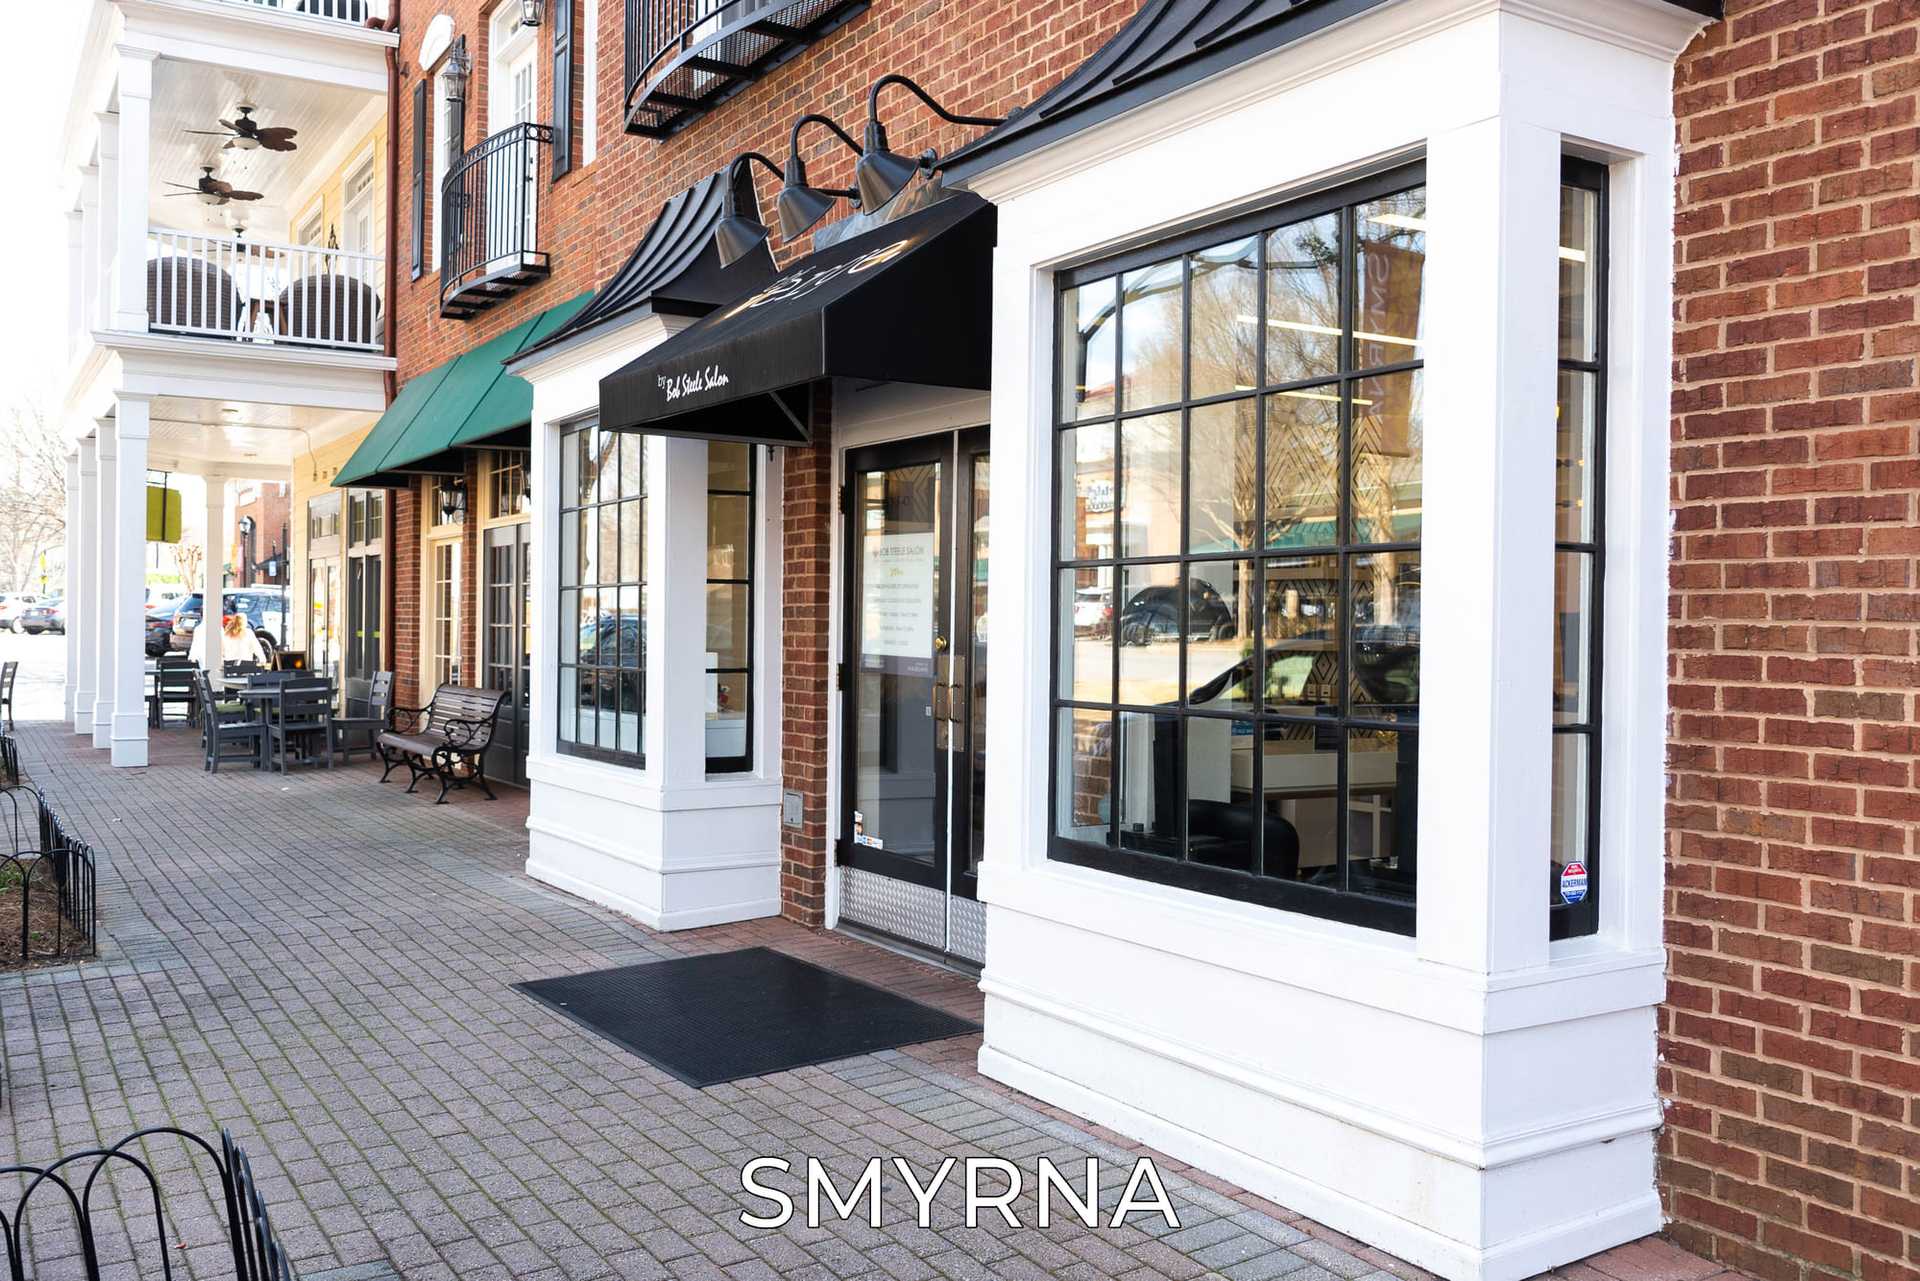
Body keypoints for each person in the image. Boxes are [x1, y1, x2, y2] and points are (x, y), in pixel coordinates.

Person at [189, 608, 269, 670]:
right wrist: (263, 660)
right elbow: (257, 649)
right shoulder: (248, 633)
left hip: (229, 669)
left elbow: (221, 651)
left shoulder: (226, 634)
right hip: (246, 669)